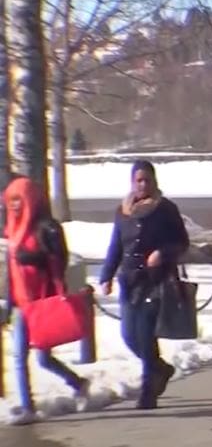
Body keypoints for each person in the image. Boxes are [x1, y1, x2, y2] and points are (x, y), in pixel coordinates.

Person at [98, 160, 190, 409]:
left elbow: (181, 242)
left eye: (147, 180)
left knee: (146, 335)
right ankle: (162, 368)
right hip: (130, 281)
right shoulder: (123, 211)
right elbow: (116, 245)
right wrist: (106, 275)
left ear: (154, 181)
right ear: (132, 182)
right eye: (138, 180)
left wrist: (162, 253)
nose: (142, 184)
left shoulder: (166, 209)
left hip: (155, 280)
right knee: (129, 335)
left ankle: (148, 393)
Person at [6, 177, 90, 425]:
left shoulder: (47, 227)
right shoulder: (14, 228)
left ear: (31, 199)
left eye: (19, 200)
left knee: (43, 358)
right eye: (11, 200)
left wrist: (34, 258)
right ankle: (27, 406)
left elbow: (59, 260)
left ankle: (78, 382)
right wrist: (9, 302)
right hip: (22, 304)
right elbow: (12, 271)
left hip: (42, 302)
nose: (15, 205)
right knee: (19, 356)